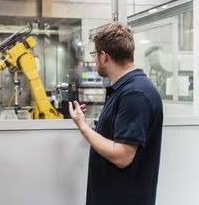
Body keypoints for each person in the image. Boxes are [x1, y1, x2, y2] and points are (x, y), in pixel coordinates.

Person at [69, 22, 163, 205]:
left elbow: (122, 156)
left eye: (94, 54)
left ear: (104, 57)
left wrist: (83, 127)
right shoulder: (125, 89)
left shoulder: (135, 94)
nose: (95, 59)